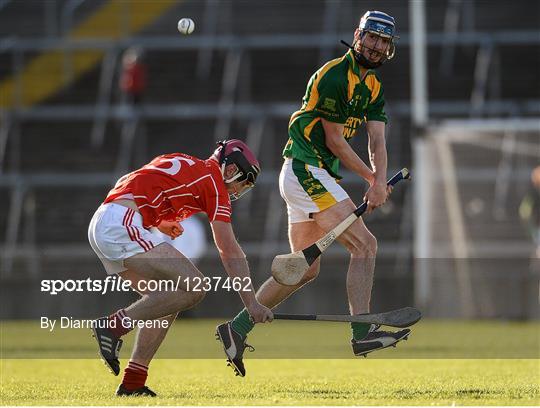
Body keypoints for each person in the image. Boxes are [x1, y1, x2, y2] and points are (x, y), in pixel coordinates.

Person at [216, 10, 410, 377]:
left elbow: (377, 141)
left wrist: (380, 179)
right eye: (372, 37)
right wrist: (372, 180)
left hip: (311, 175)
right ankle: (361, 331)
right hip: (307, 169)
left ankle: (236, 328)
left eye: (384, 41)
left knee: (304, 270)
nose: (376, 46)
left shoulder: (373, 87)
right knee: (365, 245)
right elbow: (336, 141)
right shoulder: (335, 75)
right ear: (358, 35)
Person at [88, 140, 273, 396]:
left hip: (105, 219)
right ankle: (113, 327)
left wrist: (160, 220)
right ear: (231, 170)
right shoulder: (215, 183)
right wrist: (251, 304)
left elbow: (139, 180)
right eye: (243, 182)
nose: (238, 191)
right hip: (121, 224)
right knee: (195, 286)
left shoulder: (186, 162)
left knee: (169, 299)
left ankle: (133, 381)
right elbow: (229, 250)